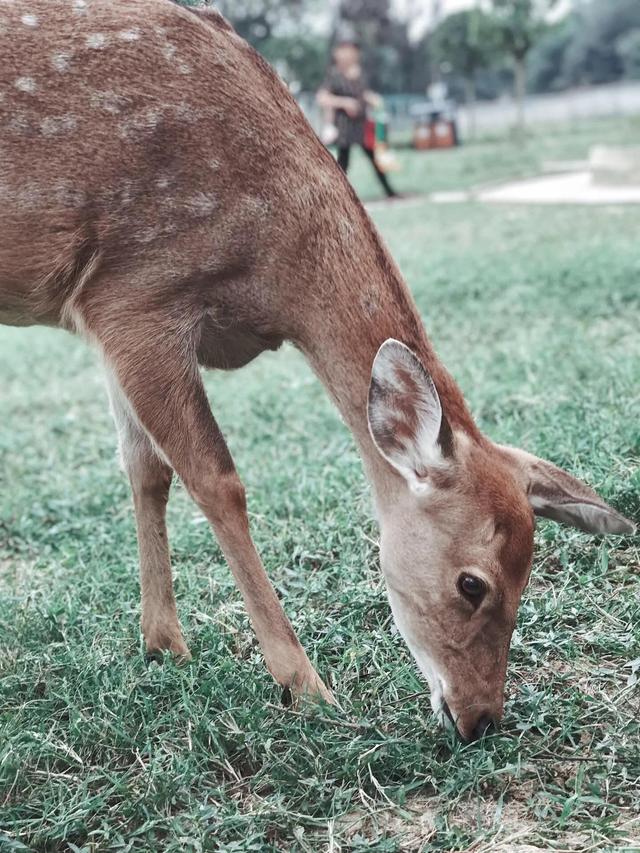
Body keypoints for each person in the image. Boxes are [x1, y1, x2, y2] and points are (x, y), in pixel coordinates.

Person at [317, 39, 398, 199]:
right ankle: (336, 197)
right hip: (345, 128)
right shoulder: (334, 75)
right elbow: (322, 98)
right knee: (343, 163)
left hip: (361, 126)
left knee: (374, 157)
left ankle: (389, 191)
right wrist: (345, 102)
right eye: (347, 50)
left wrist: (372, 98)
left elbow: (362, 93)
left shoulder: (358, 74)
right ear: (338, 54)